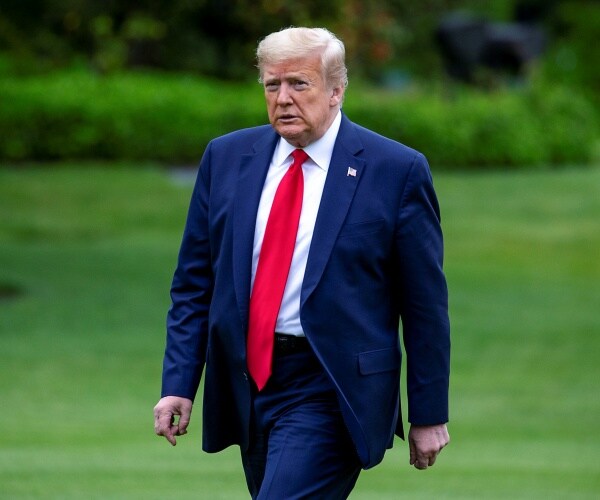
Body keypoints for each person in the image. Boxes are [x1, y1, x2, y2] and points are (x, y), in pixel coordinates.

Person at [154, 27, 450, 498]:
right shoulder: (226, 158)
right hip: (248, 383)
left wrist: (429, 412)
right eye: (273, 85)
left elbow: (424, 305)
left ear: (336, 91)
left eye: (299, 84)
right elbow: (194, 285)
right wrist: (179, 383)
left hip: (331, 385)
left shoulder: (395, 170)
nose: (284, 98)